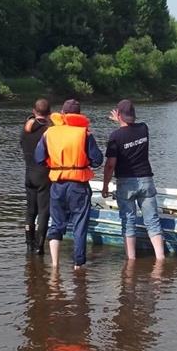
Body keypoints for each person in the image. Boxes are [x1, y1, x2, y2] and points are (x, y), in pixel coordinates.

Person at [34, 99, 103, 270]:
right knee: (79, 225)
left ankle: (55, 265)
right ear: (79, 115)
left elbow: (39, 158)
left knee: (56, 223)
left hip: (57, 184)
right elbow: (97, 160)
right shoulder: (84, 134)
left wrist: (55, 164)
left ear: (63, 114)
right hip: (78, 185)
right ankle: (78, 265)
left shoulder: (49, 133)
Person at [100, 99, 165, 260]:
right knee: (152, 220)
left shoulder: (115, 136)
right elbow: (129, 132)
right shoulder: (144, 129)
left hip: (126, 182)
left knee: (128, 222)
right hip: (146, 180)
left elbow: (110, 165)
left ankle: (131, 259)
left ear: (119, 115)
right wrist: (121, 121)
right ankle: (160, 257)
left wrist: (105, 185)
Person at [19, 98, 52, 254]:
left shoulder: (25, 130)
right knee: (44, 211)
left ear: (34, 111)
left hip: (29, 174)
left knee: (30, 211)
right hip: (44, 175)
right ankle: (39, 247)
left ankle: (28, 245)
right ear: (49, 113)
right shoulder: (48, 131)